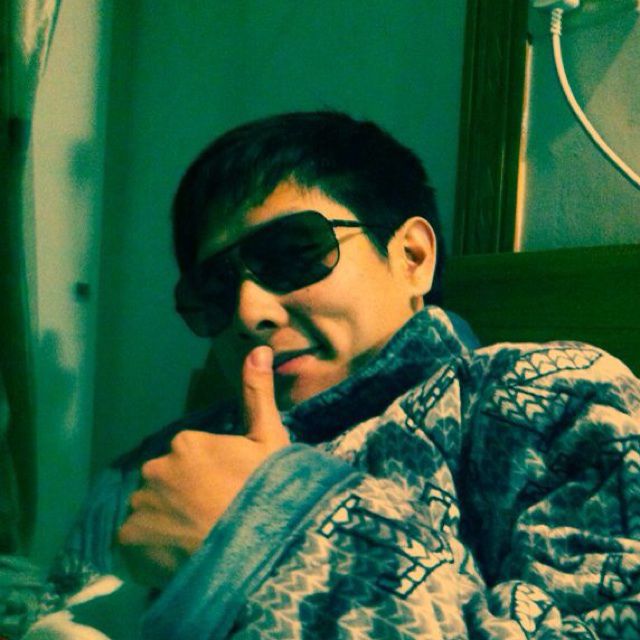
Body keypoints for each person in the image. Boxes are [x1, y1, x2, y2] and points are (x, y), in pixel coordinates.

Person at [14, 112, 640, 638]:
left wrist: (268, 527)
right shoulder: (149, 472)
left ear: (412, 257)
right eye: (215, 289)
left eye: (291, 254)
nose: (249, 312)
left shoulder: (547, 401)